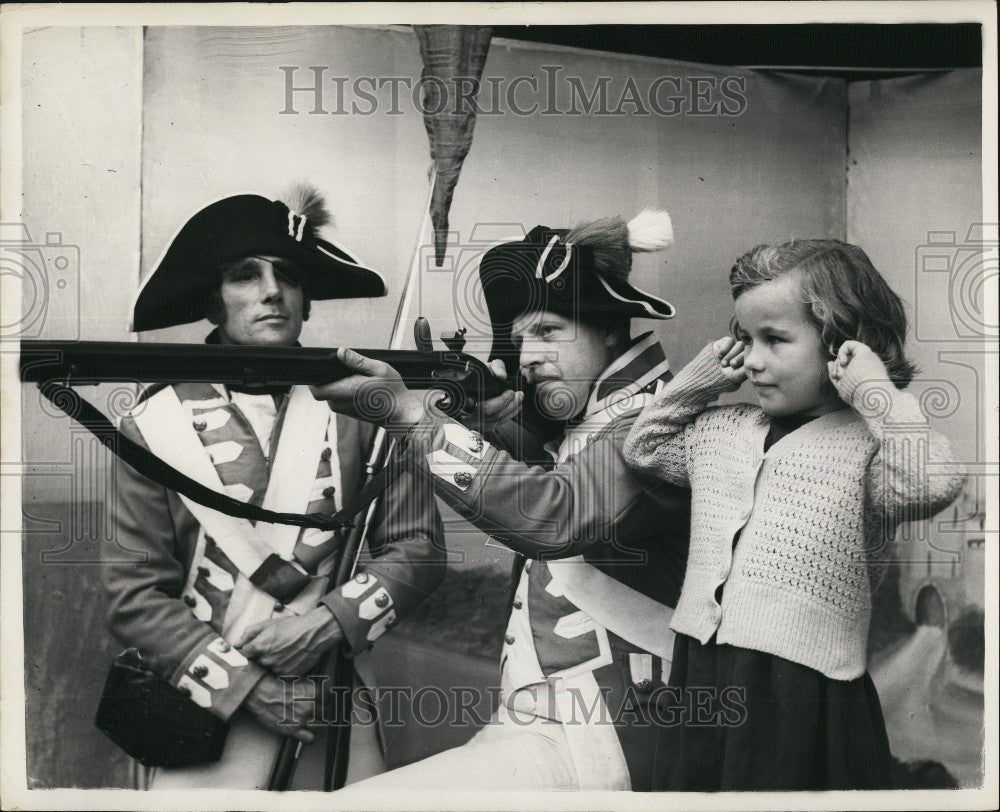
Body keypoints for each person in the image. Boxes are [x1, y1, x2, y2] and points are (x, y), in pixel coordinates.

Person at [311, 211, 691, 791]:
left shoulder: (656, 422)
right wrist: (477, 412)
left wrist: (412, 417)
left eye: (546, 331)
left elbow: (553, 512)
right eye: (520, 341)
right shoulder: (601, 420)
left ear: (609, 327)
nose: (528, 356)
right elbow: (559, 461)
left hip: (608, 728)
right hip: (548, 719)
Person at [102, 187, 445, 790]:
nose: (271, 291)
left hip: (329, 703)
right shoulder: (152, 425)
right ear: (215, 300)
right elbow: (134, 595)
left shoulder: (364, 408)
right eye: (245, 276)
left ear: (307, 300)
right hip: (204, 715)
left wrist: (328, 624)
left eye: (287, 275)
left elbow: (417, 549)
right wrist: (248, 687)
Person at [622, 239, 967, 790]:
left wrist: (875, 391)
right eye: (744, 340)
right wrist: (706, 376)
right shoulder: (723, 429)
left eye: (775, 339)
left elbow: (933, 482)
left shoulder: (869, 450)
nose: (753, 359)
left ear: (843, 347)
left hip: (802, 688)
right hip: (703, 668)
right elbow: (644, 447)